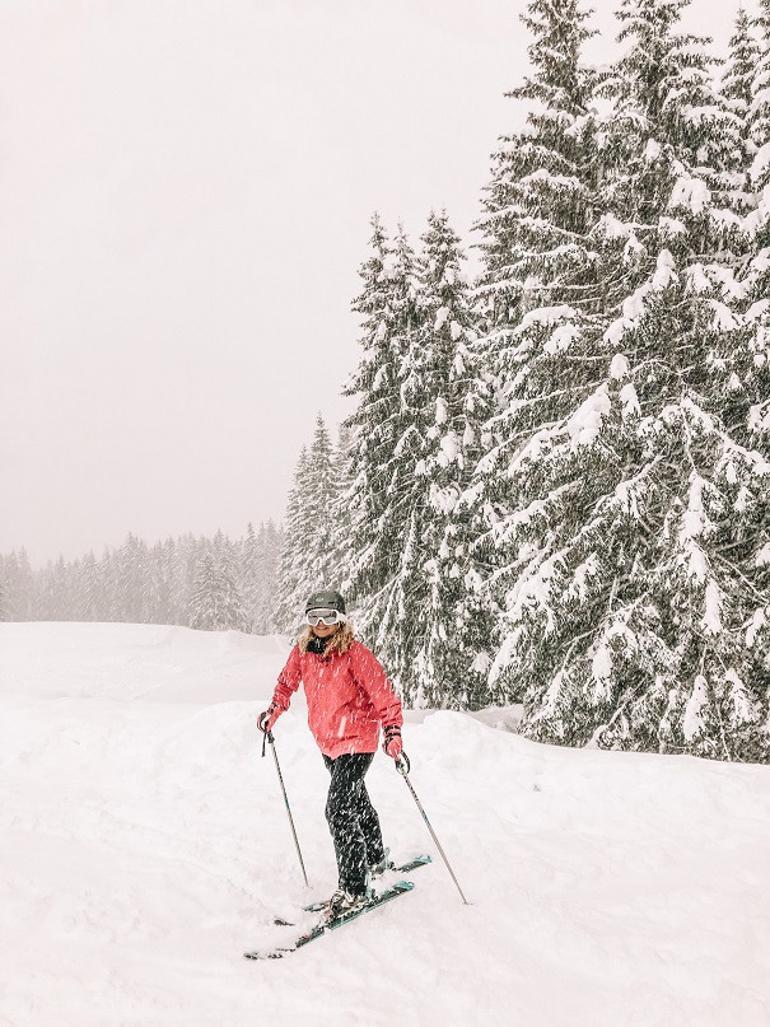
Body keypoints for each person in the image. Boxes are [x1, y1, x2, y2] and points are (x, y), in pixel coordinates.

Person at [258, 589, 404, 917]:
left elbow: (384, 694)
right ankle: (377, 859)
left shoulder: (355, 654)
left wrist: (393, 731)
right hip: (328, 743)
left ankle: (355, 889)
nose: (321, 623)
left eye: (328, 616)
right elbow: (286, 684)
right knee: (356, 801)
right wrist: (273, 712)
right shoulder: (302, 652)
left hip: (358, 741)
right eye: (314, 617)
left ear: (341, 619)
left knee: (338, 808)